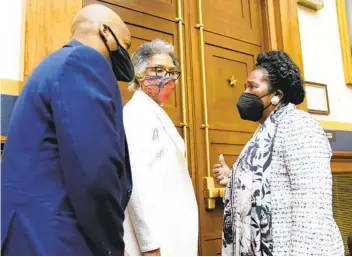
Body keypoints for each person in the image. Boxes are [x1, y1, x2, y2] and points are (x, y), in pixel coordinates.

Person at [1, 4, 133, 256]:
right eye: (125, 45)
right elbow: (95, 172)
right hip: (59, 239)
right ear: (105, 32)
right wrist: (111, 246)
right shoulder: (85, 62)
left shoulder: (53, 65)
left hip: (31, 234)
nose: (126, 56)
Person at [212, 51, 344, 256]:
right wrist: (232, 177)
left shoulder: (299, 125)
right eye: (245, 86)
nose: (245, 92)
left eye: (252, 87)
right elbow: (268, 181)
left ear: (277, 95)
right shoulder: (265, 130)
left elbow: (312, 206)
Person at [122, 39, 198, 256]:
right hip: (155, 243)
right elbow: (136, 182)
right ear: (139, 74)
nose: (167, 78)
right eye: (158, 70)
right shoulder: (135, 114)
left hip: (172, 232)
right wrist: (149, 245)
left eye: (172, 72)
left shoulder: (156, 112)